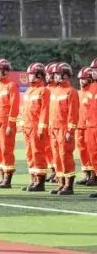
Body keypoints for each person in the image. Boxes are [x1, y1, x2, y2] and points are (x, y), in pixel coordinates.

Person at [47, 63, 80, 195]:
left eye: (57, 74)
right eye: (54, 74)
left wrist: (70, 131)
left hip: (64, 129)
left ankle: (69, 185)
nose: (54, 76)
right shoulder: (54, 91)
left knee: (65, 155)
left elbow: (73, 113)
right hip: (54, 129)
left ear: (65, 75)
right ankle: (61, 183)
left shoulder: (71, 92)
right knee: (56, 156)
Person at [0, 59, 20, 189]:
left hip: (5, 124)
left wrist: (10, 125)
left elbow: (14, 106)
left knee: (6, 150)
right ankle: (2, 176)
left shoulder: (11, 86)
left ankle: (7, 178)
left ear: (5, 72)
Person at [19, 63, 51, 192]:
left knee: (38, 154)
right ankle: (33, 179)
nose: (29, 76)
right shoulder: (28, 90)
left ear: (39, 75)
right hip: (27, 127)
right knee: (30, 154)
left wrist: (42, 127)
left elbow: (45, 110)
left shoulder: (44, 91)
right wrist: (22, 123)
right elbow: (24, 109)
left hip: (36, 127)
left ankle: (40, 182)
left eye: (31, 74)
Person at [78, 68, 96, 187]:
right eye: (80, 79)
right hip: (80, 126)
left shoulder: (91, 91)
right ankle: (87, 174)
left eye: (84, 78)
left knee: (92, 152)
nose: (81, 81)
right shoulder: (79, 93)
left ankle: (94, 175)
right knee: (83, 152)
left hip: (89, 126)